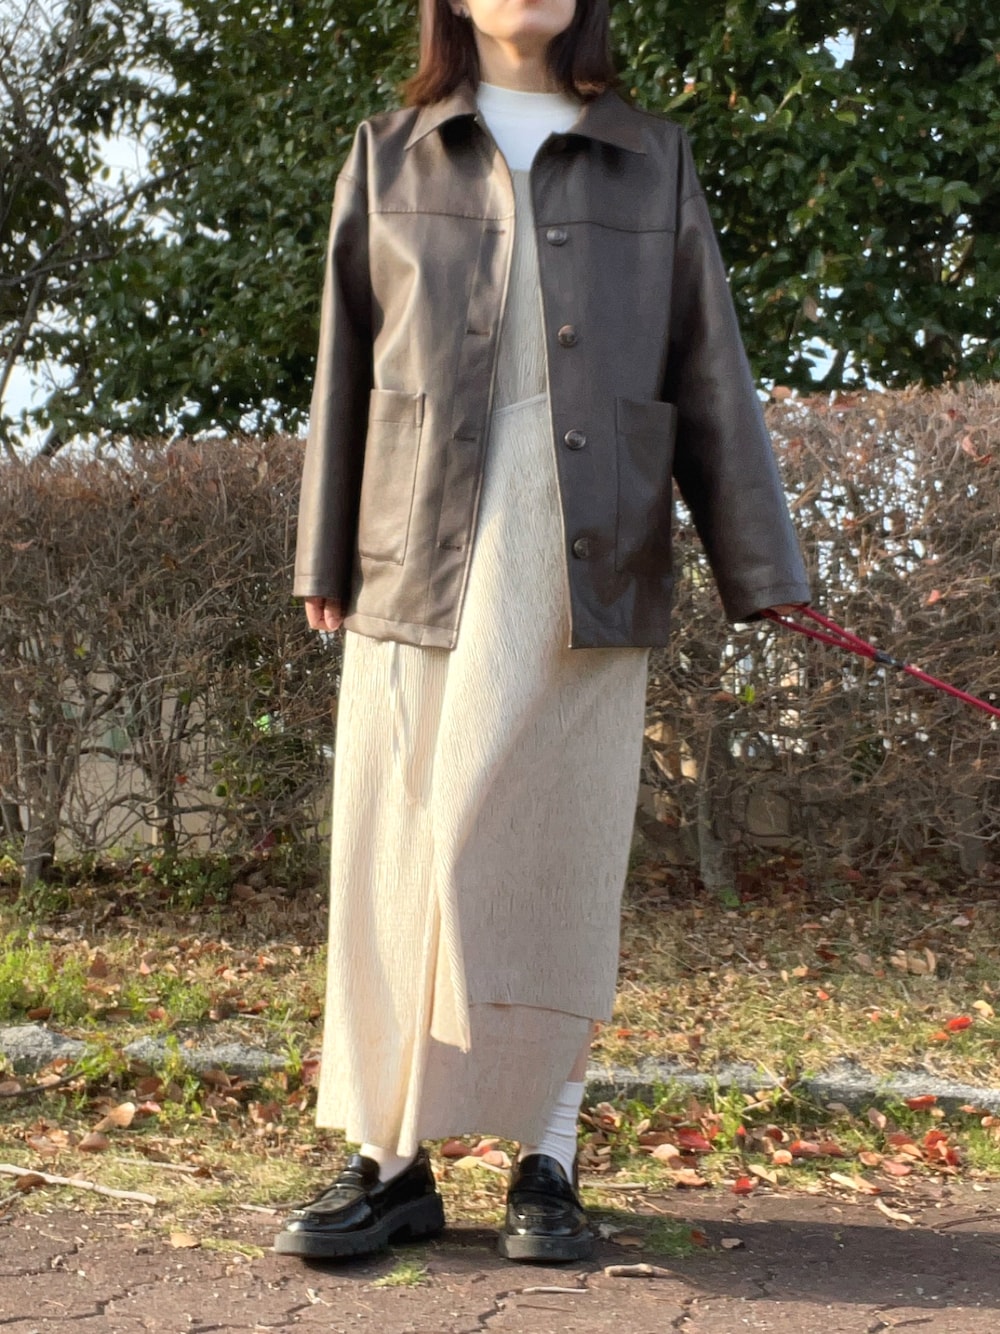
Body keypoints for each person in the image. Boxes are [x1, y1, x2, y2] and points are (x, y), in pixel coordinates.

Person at [275, 0, 809, 1265]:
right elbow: (346, 360)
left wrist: (761, 565)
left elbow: (708, 364)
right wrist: (324, 549)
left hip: (584, 557)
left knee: (556, 860)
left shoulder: (650, 155)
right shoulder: (388, 152)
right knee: (404, 858)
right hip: (416, 553)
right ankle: (390, 1161)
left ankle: (547, 1154)